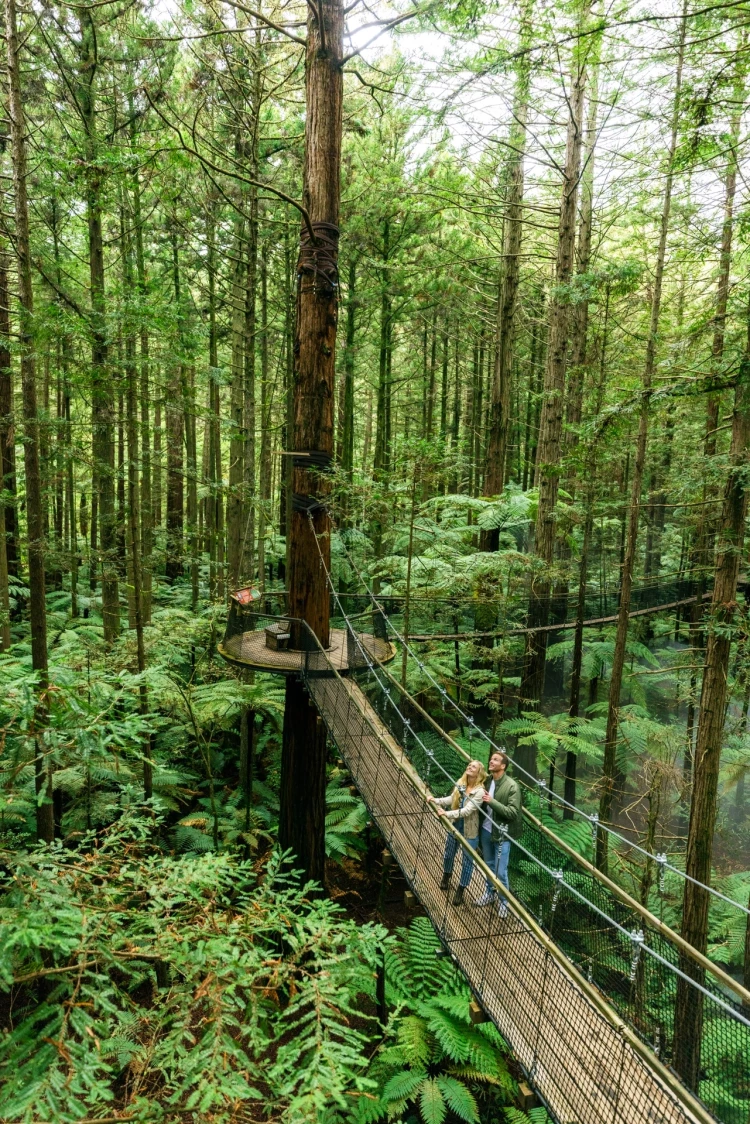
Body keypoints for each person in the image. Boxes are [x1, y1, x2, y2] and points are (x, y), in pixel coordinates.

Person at [428, 759, 486, 906]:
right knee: (448, 853)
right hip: (455, 826)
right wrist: (436, 800)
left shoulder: (479, 792)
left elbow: (467, 811)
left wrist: (447, 814)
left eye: (473, 766)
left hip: (469, 830)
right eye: (469, 765)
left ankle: (461, 889)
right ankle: (447, 875)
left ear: (479, 772)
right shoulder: (461, 783)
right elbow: (451, 799)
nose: (469, 767)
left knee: (467, 862)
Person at [473, 750, 521, 915]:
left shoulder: (512, 786)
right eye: (491, 759)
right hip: (486, 830)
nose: (491, 761)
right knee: (488, 866)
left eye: (495, 760)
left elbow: (512, 812)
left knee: (501, 871)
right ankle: (489, 894)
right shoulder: (487, 781)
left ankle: (503, 901)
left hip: (502, 834)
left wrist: (492, 802)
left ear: (503, 765)